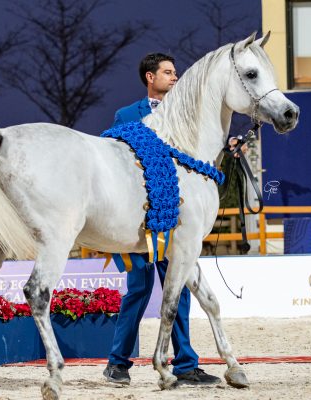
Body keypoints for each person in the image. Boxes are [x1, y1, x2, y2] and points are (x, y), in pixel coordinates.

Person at [104, 53, 221, 386]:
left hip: (173, 220)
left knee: (180, 288)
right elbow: (113, 165)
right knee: (138, 290)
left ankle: (186, 364)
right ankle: (117, 363)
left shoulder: (188, 119)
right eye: (168, 73)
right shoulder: (126, 116)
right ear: (149, 77)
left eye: (176, 73)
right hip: (137, 223)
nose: (175, 77)